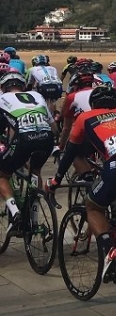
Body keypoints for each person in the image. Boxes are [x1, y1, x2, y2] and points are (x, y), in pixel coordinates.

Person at [46, 85, 116, 279]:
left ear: (92, 104)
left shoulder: (85, 117)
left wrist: (56, 180)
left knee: (93, 206)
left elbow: (70, 152)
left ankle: (110, 251)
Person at [0, 72, 56, 226]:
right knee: (35, 170)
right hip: (47, 138)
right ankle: (34, 216)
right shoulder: (36, 96)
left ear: (3, 88)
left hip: (24, 140)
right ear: (23, 86)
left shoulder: (2, 98)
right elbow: (55, 127)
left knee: (2, 175)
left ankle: (15, 212)